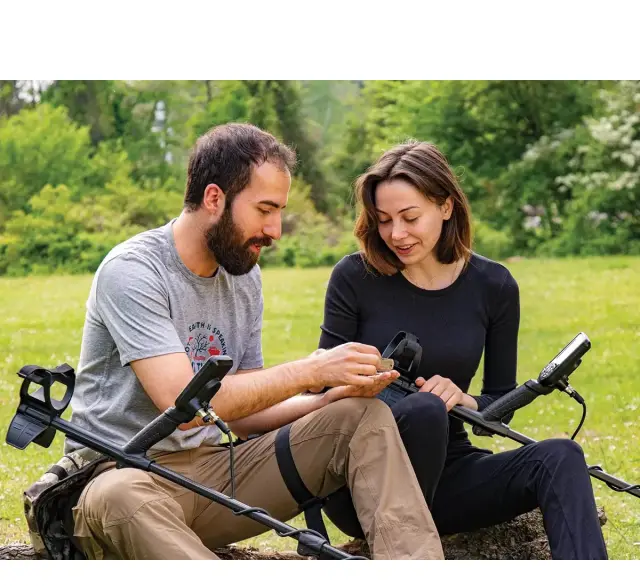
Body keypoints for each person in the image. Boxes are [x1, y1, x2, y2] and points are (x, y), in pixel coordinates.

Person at [67, 123, 444, 560]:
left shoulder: (243, 277)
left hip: (213, 472)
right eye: (265, 209)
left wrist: (328, 399)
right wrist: (310, 370)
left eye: (279, 211)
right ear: (214, 199)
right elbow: (182, 405)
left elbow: (244, 412)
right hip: (121, 475)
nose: (276, 229)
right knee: (118, 496)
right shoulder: (134, 270)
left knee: (360, 416)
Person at [318, 140, 608, 560]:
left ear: (446, 206)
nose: (396, 234)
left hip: (448, 473)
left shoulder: (494, 286)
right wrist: (371, 385)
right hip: (361, 474)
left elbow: (498, 405)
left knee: (561, 455)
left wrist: (463, 399)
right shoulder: (354, 277)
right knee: (424, 410)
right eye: (383, 221)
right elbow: (320, 389)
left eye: (410, 217)